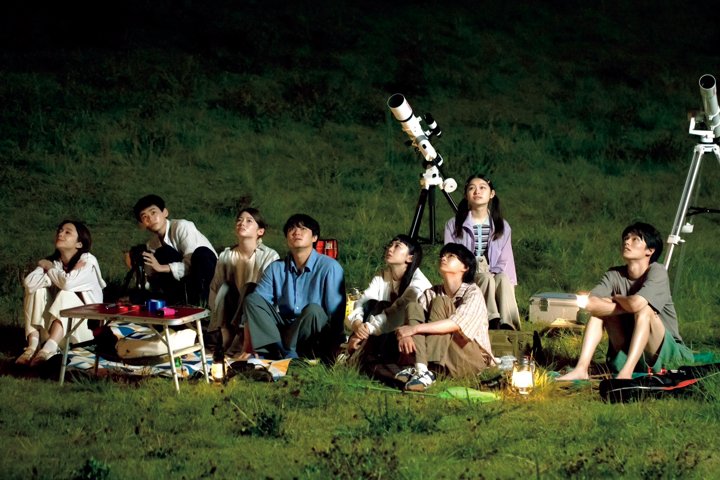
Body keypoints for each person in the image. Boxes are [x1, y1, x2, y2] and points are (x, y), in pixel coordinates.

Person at [558, 222, 695, 381]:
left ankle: (626, 373)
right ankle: (581, 369)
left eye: (635, 239)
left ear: (650, 250)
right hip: (630, 350)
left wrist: (616, 298)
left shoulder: (657, 271)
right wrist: (623, 307)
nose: (627, 242)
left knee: (645, 309)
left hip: (666, 354)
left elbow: (636, 304)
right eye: (626, 238)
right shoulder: (614, 274)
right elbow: (590, 304)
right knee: (599, 312)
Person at [242, 213, 345, 360]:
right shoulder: (276, 268)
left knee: (313, 310)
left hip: (313, 333)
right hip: (285, 330)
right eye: (291, 229)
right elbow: (258, 305)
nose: (296, 232)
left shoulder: (330, 267)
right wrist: (248, 345)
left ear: (314, 237)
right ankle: (283, 353)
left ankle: (286, 353)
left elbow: (335, 316)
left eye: (303, 229)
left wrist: (334, 349)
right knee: (252, 299)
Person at [394, 243, 494, 392]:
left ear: (465, 267)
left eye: (450, 256)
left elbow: (455, 324)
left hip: (470, 359)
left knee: (441, 303)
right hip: (444, 358)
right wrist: (405, 335)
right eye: (442, 256)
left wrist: (413, 329)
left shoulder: (473, 292)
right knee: (413, 307)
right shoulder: (431, 292)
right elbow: (414, 319)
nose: (443, 258)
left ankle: (424, 369)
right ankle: (422, 369)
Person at [16, 220, 106, 366]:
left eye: (67, 232)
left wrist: (50, 270)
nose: (60, 234)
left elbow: (67, 284)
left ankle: (48, 350)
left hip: (82, 332)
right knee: (36, 290)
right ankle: (32, 347)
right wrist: (57, 274)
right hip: (54, 331)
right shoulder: (54, 261)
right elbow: (29, 284)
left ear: (79, 244)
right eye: (60, 230)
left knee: (67, 293)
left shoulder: (88, 261)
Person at [444, 174, 520, 330]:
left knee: (502, 278)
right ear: (466, 195)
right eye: (472, 188)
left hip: (492, 272)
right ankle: (491, 320)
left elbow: (506, 260)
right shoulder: (454, 224)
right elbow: (450, 256)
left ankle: (509, 325)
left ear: (492, 194)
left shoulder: (502, 226)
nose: (477, 191)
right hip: (467, 273)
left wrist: (506, 281)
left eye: (482, 187)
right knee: (486, 278)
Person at [207, 207, 279, 356]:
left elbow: (271, 295)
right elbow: (215, 288)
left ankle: (243, 341)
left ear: (260, 231)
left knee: (250, 288)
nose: (242, 223)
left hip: (256, 312)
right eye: (239, 220)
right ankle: (224, 337)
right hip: (231, 314)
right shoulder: (226, 255)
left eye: (249, 221)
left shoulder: (270, 256)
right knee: (225, 287)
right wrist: (214, 320)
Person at [345, 234, 431, 358]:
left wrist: (367, 329)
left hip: (408, 334)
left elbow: (397, 314)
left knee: (382, 306)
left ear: (410, 258)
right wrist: (358, 325)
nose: (390, 249)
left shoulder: (418, 283)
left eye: (397, 246)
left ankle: (356, 354)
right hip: (380, 329)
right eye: (390, 245)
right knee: (372, 303)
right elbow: (363, 301)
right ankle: (357, 352)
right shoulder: (382, 275)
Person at [133, 194, 218, 306]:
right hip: (185, 285)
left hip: (208, 277)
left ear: (165, 212)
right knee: (162, 253)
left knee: (201, 253)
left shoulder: (182, 226)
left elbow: (192, 264)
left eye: (153, 213)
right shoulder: (152, 244)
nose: (150, 219)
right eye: (144, 217)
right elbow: (151, 278)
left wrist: (162, 267)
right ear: (142, 224)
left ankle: (204, 306)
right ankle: (179, 303)